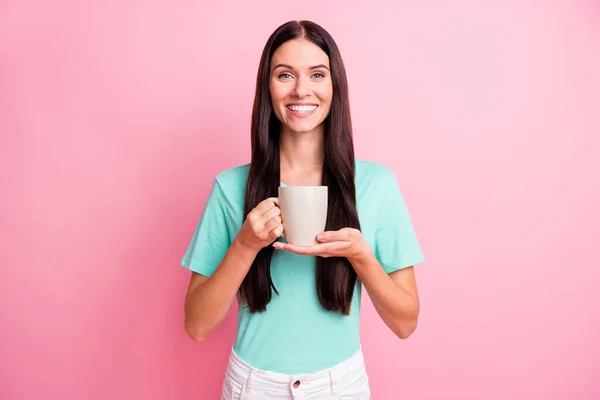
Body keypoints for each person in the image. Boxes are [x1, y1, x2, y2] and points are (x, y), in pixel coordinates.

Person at [181, 20, 424, 400]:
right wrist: (245, 245)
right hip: (252, 387)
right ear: (267, 87)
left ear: (334, 86)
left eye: (316, 74)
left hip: (341, 387)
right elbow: (196, 325)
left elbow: (406, 322)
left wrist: (361, 256)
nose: (301, 90)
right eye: (284, 75)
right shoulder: (230, 188)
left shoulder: (376, 185)